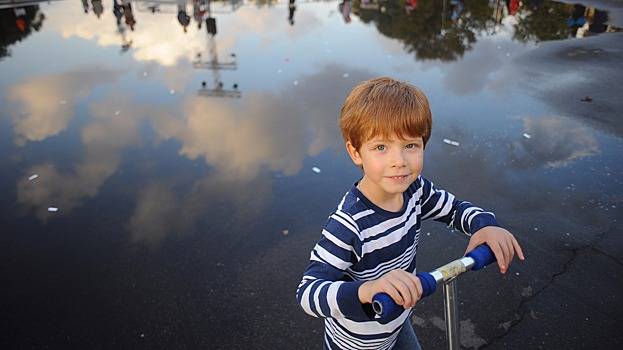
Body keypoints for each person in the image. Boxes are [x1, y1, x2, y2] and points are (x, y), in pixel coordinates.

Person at [296, 77, 525, 350]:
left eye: (410, 146)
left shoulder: (416, 191)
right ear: (355, 152)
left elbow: (453, 209)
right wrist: (366, 291)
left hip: (397, 319)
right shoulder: (348, 224)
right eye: (381, 147)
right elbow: (308, 293)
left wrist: (483, 225)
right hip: (357, 343)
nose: (399, 161)